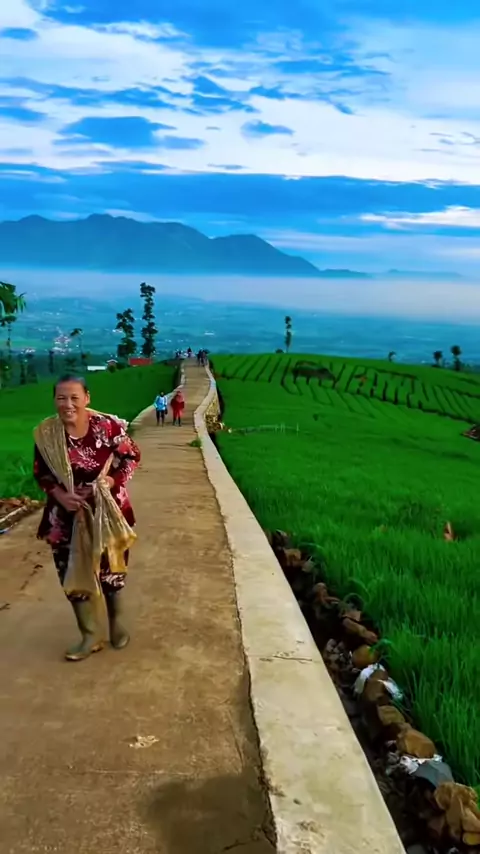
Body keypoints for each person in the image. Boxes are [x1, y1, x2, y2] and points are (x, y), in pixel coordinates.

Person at [33, 374, 141, 662]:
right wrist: (60, 495)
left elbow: (132, 457)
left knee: (111, 570)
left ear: (87, 398)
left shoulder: (107, 426)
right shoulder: (46, 434)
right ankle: (90, 635)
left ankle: (116, 624)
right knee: (71, 572)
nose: (68, 404)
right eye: (61, 398)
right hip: (65, 516)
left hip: (107, 511)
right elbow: (41, 473)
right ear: (54, 400)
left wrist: (112, 480)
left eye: (74, 398)